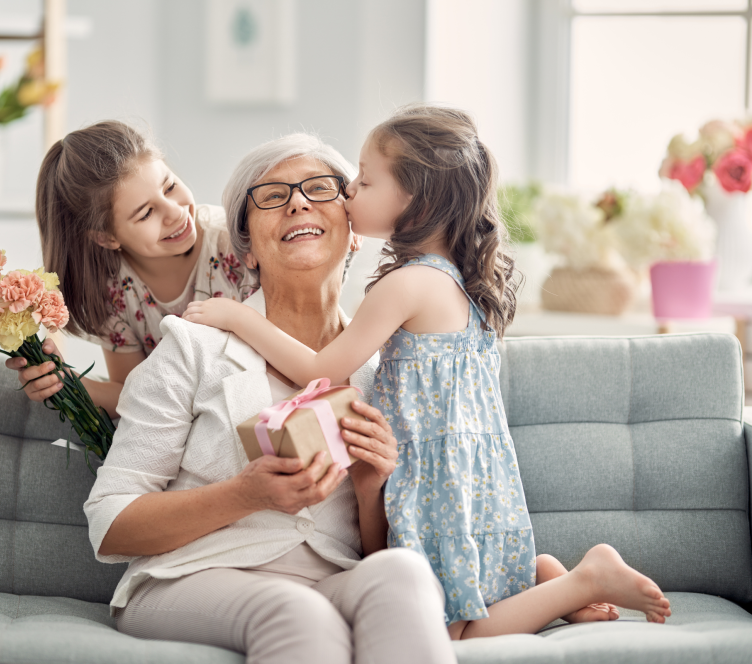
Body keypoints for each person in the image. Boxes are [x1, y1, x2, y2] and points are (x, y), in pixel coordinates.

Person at [183, 104, 672, 639]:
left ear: (413, 200)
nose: (348, 194)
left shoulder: (408, 284)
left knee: (453, 633)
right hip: (471, 464)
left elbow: (321, 369)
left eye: (364, 182)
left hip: (436, 468)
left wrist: (236, 316)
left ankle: (582, 581)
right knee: (463, 593)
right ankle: (542, 576)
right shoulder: (458, 282)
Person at [83, 133, 457, 664]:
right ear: (249, 248)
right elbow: (111, 521)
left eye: (318, 189)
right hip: (191, 578)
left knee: (403, 572)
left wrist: (373, 488)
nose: (298, 202)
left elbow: (375, 550)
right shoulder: (193, 348)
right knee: (295, 611)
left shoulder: (388, 371)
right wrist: (245, 494)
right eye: (272, 196)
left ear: (353, 231)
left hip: (331, 580)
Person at [5, 121, 251, 417]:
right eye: (146, 213)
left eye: (170, 187)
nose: (175, 212)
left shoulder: (236, 242)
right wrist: (66, 383)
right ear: (106, 238)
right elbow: (132, 392)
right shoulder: (114, 294)